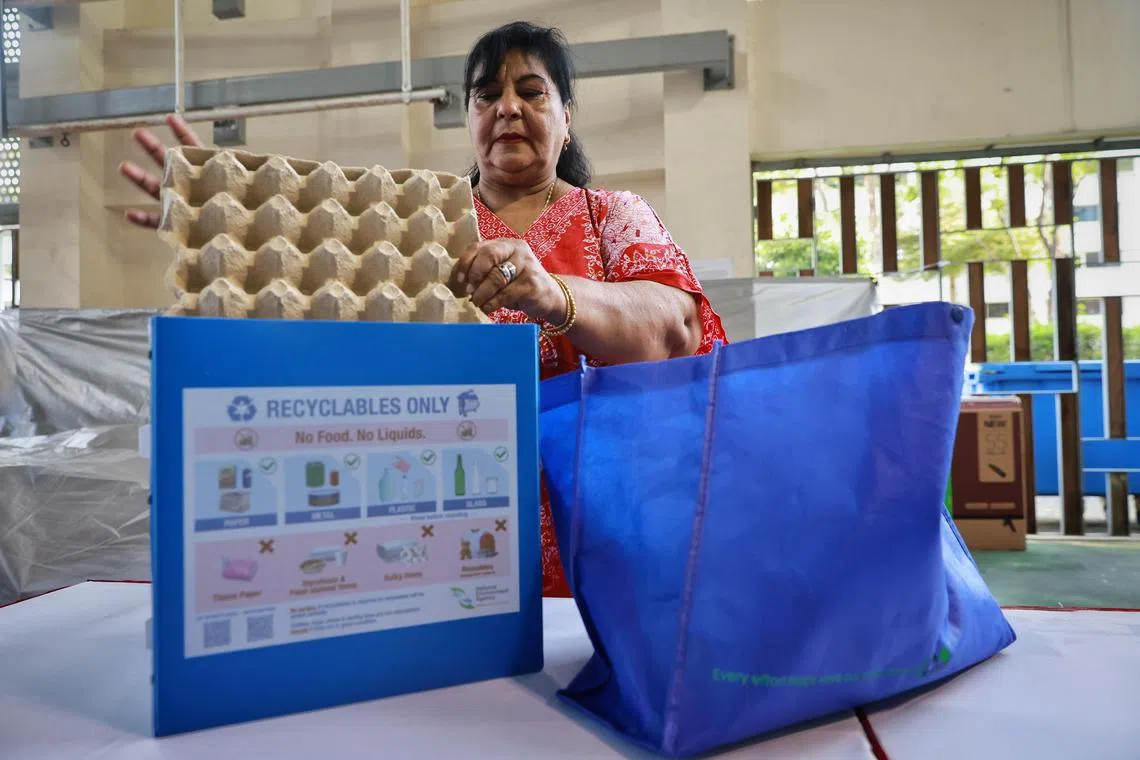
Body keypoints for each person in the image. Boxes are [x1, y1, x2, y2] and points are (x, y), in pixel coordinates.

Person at [119, 21, 728, 598]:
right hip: (437, 542)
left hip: (605, 542)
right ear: (468, 119)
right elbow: (325, 330)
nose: (507, 108)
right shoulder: (419, 226)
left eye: (531, 92)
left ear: (567, 119)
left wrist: (550, 293)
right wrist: (224, 218)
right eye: (486, 95)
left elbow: (678, 330)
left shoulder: (611, 217)